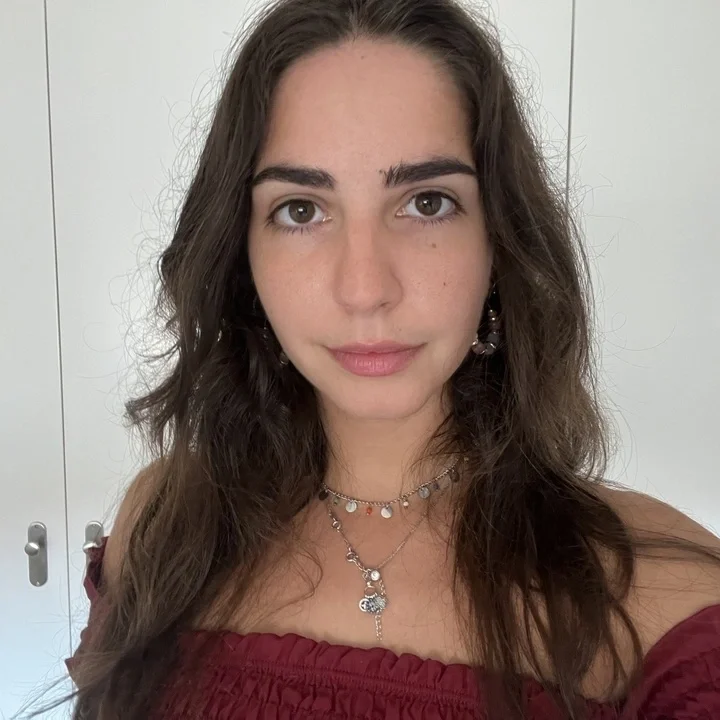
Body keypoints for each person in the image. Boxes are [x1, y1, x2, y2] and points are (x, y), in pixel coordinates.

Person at [39, 0, 720, 718]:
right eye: (301, 210)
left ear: (500, 242)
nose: (365, 289)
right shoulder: (166, 527)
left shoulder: (656, 600)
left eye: (426, 202)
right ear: (242, 258)